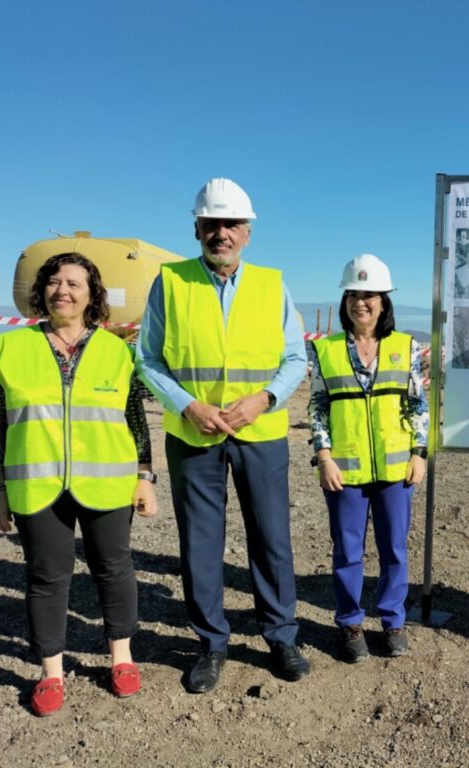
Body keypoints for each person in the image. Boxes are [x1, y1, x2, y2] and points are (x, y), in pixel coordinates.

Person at [136, 178, 309, 692]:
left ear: (248, 233)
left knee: (272, 538)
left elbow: (295, 358)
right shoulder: (170, 282)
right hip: (194, 435)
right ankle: (211, 644)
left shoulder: (272, 285)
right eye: (212, 224)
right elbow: (148, 357)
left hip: (260, 432)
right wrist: (187, 405)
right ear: (197, 228)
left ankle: (281, 637)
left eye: (232, 224)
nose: (222, 233)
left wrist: (265, 399)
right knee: (201, 544)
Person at [0, 252, 157, 717]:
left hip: (108, 484)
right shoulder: (11, 348)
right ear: (42, 291)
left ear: (91, 295)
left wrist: (145, 477)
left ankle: (122, 658)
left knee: (113, 567)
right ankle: (51, 672)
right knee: (46, 576)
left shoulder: (117, 351)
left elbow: (135, 420)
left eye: (75, 283)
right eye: (55, 281)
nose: (64, 290)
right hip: (37, 487)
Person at [308, 254, 428, 662]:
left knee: (394, 549)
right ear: (345, 301)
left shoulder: (405, 346)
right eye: (354, 295)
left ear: (384, 301)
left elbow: (418, 405)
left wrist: (419, 453)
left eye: (370, 295)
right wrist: (323, 456)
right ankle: (350, 623)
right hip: (344, 469)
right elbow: (318, 407)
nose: (361, 303)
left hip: (396, 470)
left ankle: (393, 622)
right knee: (347, 551)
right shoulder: (324, 350)